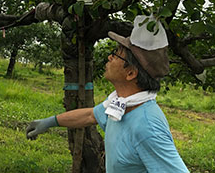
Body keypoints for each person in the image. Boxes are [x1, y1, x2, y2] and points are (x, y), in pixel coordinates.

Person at [26, 15, 189, 173]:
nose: (110, 57)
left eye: (117, 54)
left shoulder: (147, 127)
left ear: (131, 73)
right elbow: (90, 116)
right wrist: (49, 122)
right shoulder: (120, 105)